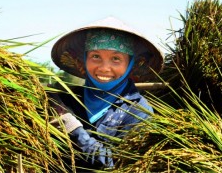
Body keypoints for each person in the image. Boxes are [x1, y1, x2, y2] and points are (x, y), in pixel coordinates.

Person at [50, 16, 164, 171]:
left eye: (116, 59)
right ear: (84, 59)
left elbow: (116, 165)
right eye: (96, 56)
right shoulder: (68, 100)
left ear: (130, 64)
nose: (104, 68)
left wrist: (73, 129)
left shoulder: (138, 111)